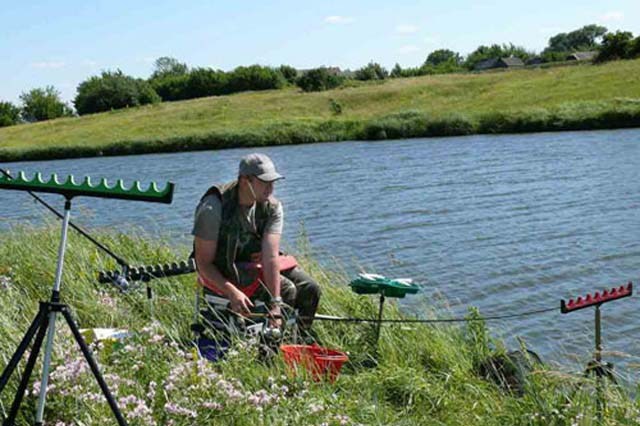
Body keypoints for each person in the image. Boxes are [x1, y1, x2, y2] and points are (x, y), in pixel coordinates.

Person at [192, 153, 321, 331]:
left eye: (273, 182)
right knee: (287, 289)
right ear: (245, 181)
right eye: (265, 182)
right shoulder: (213, 207)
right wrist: (231, 291)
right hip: (222, 270)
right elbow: (203, 264)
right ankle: (269, 350)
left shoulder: (273, 207)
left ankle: (297, 342)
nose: (271, 188)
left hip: (255, 266)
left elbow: (270, 257)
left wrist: (276, 304)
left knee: (310, 288)